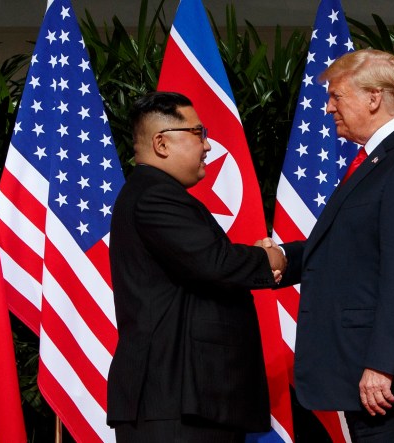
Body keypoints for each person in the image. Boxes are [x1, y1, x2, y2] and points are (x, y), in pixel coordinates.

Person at [273, 49, 394, 442]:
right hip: (368, 381)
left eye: (336, 96)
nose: (328, 107)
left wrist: (383, 364)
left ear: (374, 97)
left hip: (391, 387)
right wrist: (281, 257)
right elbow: (347, 249)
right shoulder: (377, 160)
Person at [107, 91, 286, 442]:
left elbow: (208, 263)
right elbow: (216, 263)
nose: (207, 145)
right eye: (198, 133)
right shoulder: (155, 195)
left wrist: (285, 257)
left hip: (185, 402)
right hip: (175, 402)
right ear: (161, 143)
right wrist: (269, 259)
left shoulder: (154, 192)